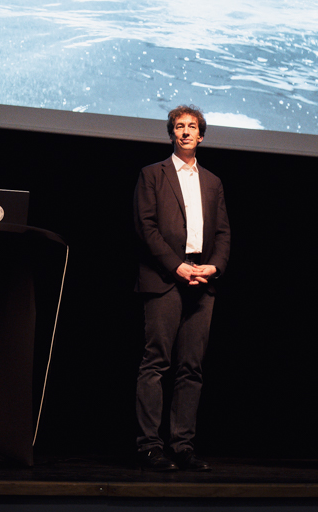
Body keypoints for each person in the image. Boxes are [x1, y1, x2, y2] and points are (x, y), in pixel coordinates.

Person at [132, 105, 231, 471]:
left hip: (202, 281)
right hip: (164, 278)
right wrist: (176, 267)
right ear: (172, 134)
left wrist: (213, 266)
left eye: (192, 127)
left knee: (192, 367)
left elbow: (222, 232)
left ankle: (183, 445)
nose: (186, 131)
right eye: (179, 126)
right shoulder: (152, 174)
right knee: (156, 362)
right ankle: (149, 446)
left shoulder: (213, 181)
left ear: (201, 136)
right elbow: (146, 227)